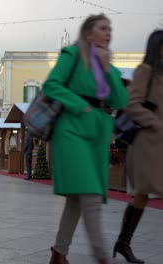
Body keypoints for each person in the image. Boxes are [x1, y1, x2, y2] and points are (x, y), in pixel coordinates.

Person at [42, 14, 128, 264]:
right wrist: (81, 106)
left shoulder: (105, 62)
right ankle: (103, 257)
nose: (108, 33)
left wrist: (109, 68)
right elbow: (51, 85)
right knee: (90, 195)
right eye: (103, 28)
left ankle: (59, 253)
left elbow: (120, 101)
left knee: (76, 200)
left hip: (98, 136)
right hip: (72, 131)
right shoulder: (72, 54)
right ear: (89, 32)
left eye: (110, 28)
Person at [112, 30, 163, 264]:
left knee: (141, 196)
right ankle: (123, 242)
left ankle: (123, 243)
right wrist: (155, 123)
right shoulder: (146, 72)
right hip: (146, 143)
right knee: (142, 193)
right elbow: (131, 103)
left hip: (158, 144)